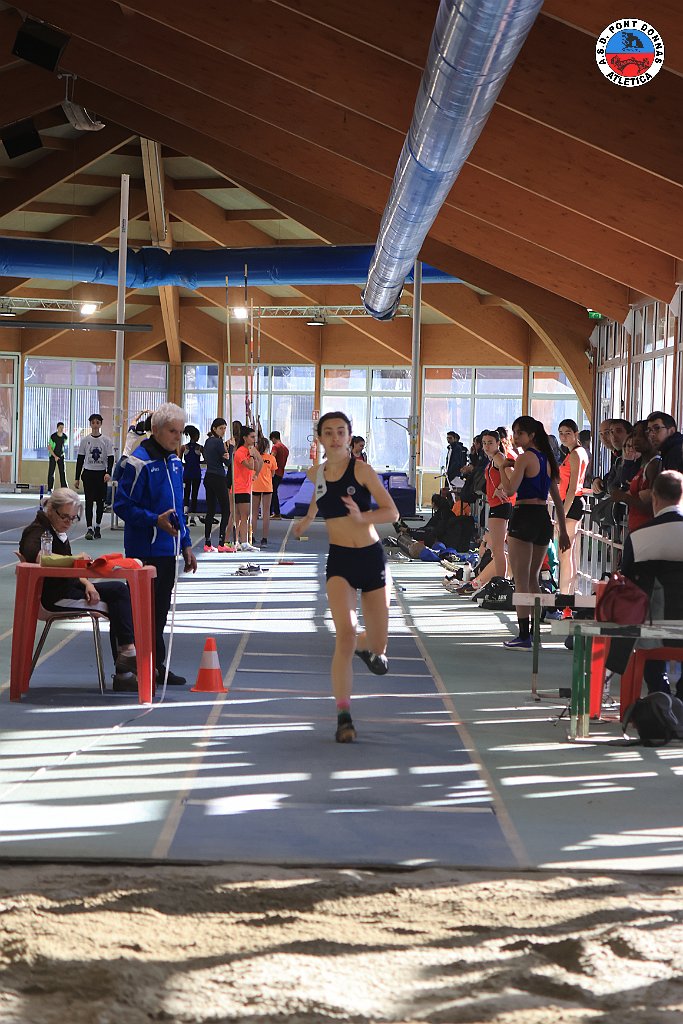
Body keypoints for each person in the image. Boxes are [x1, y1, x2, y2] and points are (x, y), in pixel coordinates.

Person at [293, 411, 399, 743]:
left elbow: (392, 512)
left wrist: (363, 516)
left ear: (350, 437)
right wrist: (307, 519)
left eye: (341, 432)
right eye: (329, 432)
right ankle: (343, 717)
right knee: (345, 635)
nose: (335, 437)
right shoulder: (316, 473)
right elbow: (319, 496)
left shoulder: (362, 470)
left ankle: (367, 648)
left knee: (379, 644)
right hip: (340, 561)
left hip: (371, 558)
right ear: (320, 439)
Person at [19, 488, 140, 692]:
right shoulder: (37, 532)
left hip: (69, 587)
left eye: (73, 518)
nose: (68, 523)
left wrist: (87, 583)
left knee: (119, 591)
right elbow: (38, 557)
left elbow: (70, 568)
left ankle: (126, 659)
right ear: (51, 510)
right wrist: (76, 560)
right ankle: (126, 663)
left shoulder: (57, 531)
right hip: (55, 597)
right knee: (118, 601)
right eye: (65, 517)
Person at [114, 403, 198, 687]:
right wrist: (154, 521)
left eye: (180, 431)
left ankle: (155, 667)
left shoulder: (175, 462)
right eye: (172, 431)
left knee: (159, 614)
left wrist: (186, 543)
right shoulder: (138, 463)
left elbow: (177, 507)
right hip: (143, 552)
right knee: (141, 615)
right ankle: (130, 670)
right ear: (156, 430)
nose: (178, 437)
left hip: (168, 552)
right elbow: (122, 505)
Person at [606, 471, 683, 699]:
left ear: (654, 498)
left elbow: (627, 584)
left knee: (644, 623)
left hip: (651, 631)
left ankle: (659, 695)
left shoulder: (638, 537)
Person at [496, 416, 570, 650]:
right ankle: (535, 632)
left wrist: (503, 468)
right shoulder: (547, 460)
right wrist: (563, 531)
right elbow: (557, 501)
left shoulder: (525, 458)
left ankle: (524, 635)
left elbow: (510, 489)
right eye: (515, 433)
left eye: (520, 433)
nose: (516, 438)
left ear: (531, 435)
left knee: (521, 580)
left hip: (524, 516)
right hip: (543, 520)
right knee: (532, 578)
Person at [556, 419, 589, 594]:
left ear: (576, 434)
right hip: (571, 502)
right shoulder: (575, 453)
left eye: (567, 433)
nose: (563, 437)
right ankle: (568, 592)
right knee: (568, 552)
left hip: (572, 503)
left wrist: (562, 515)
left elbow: (573, 487)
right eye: (561, 433)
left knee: (565, 553)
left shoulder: (575, 454)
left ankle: (564, 594)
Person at [480, 428, 515, 583]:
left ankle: (500, 581)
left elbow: (512, 475)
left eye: (490, 443)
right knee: (497, 548)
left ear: (498, 443)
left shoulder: (499, 457)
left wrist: (500, 488)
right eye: (484, 443)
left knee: (498, 549)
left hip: (500, 506)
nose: (486, 446)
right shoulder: (494, 458)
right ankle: (501, 578)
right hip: (497, 505)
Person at [611, 422, 658, 533]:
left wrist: (624, 497)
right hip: (636, 528)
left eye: (643, 434)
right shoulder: (645, 464)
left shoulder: (655, 465)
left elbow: (654, 507)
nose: (636, 439)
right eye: (635, 434)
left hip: (648, 530)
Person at [75, 413, 114, 541]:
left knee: (100, 502)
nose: (95, 425)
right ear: (90, 424)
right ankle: (89, 528)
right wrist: (77, 477)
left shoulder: (106, 440)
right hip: (88, 474)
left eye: (97, 422)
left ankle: (97, 526)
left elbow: (110, 458)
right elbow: (80, 459)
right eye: (93, 422)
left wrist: (108, 472)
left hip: (101, 474)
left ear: (100, 424)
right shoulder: (85, 440)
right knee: (89, 501)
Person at [202, 418, 233, 553]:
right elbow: (228, 463)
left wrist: (224, 453)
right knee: (226, 510)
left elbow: (214, 457)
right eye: (221, 428)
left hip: (208, 476)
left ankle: (207, 543)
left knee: (211, 510)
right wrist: (231, 448)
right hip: (218, 478)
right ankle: (221, 543)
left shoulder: (208, 441)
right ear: (214, 429)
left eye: (225, 428)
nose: (223, 431)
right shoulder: (219, 442)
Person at [234, 425, 263, 549]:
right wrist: (251, 456)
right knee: (241, 516)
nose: (254, 440)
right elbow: (250, 465)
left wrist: (256, 474)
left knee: (243, 516)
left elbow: (260, 462)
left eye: (255, 437)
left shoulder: (251, 450)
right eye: (252, 437)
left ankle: (241, 541)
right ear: (245, 438)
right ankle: (240, 541)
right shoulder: (240, 452)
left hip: (246, 486)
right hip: (239, 487)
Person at [252, 436, 278, 545]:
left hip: (255, 486)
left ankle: (252, 536)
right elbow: (273, 473)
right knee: (266, 513)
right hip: (267, 487)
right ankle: (264, 538)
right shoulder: (271, 458)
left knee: (254, 513)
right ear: (267, 447)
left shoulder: (254, 458)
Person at [181, 425, 203, 527]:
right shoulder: (200, 448)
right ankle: (193, 518)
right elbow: (206, 460)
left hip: (187, 473)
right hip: (196, 474)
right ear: (196, 436)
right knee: (194, 495)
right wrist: (198, 462)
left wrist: (186, 464)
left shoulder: (184, 447)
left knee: (186, 495)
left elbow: (179, 460)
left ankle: (185, 516)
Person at [269, 430, 289, 519]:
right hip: (281, 473)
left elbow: (271, 458)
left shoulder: (275, 447)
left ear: (273, 438)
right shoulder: (286, 449)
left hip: (274, 473)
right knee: (274, 492)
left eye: (272, 440)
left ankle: (276, 512)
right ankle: (272, 512)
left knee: (272, 493)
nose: (272, 442)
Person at [47, 421, 67, 491]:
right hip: (53, 456)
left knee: (62, 472)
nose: (61, 429)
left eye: (63, 428)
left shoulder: (65, 437)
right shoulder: (53, 437)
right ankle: (50, 489)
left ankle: (64, 488)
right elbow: (49, 448)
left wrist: (61, 455)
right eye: (60, 427)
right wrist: (55, 456)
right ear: (57, 428)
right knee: (51, 472)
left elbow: (63, 447)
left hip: (61, 456)